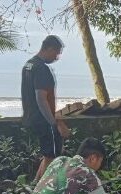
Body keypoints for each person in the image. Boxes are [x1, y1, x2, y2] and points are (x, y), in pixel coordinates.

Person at [21, 35, 72, 183]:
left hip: (31, 116)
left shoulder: (28, 65)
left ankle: (36, 184)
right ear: (49, 49)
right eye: (56, 53)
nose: (56, 57)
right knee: (52, 155)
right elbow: (41, 98)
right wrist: (53, 122)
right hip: (43, 119)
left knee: (47, 154)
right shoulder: (42, 69)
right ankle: (41, 190)